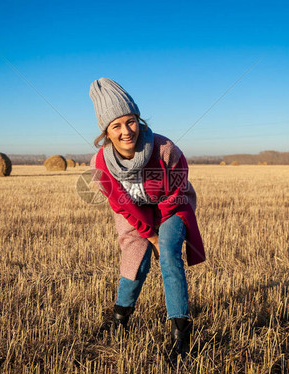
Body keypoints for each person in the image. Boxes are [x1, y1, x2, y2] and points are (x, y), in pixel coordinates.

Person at [89, 77, 206, 360]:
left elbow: (178, 190)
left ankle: (180, 334)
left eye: (130, 121)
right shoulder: (100, 164)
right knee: (136, 262)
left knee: (168, 254)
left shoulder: (164, 149)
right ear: (106, 132)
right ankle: (120, 319)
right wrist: (148, 234)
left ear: (138, 120)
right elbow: (121, 205)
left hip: (171, 207)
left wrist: (161, 235)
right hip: (134, 213)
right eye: (115, 125)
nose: (125, 131)